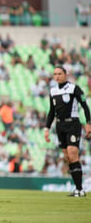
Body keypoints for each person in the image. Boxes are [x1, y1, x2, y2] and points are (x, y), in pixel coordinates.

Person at [44, 66, 91, 197]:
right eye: (55, 74)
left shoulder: (73, 88)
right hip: (60, 125)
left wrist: (88, 123)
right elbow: (51, 112)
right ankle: (78, 188)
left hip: (73, 124)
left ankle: (80, 189)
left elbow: (85, 106)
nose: (57, 76)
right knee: (68, 158)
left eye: (60, 73)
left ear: (65, 74)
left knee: (72, 153)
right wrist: (47, 128)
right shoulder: (53, 91)